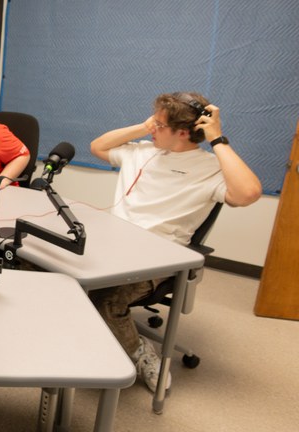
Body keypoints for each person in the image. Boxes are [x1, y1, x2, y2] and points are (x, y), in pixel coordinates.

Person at [89, 92, 262, 392]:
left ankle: (140, 352)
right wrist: (146, 127)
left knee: (107, 299)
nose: (151, 128)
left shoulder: (210, 169)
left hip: (156, 260)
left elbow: (248, 193)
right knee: (51, 270)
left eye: (159, 124)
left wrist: (218, 140)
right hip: (109, 246)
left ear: (182, 133)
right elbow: (97, 146)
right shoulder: (141, 152)